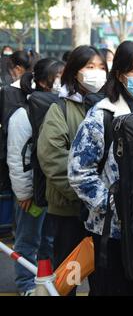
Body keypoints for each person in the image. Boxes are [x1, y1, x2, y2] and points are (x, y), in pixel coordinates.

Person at [68, 41, 133, 295]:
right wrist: (113, 204)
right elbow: (79, 172)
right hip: (112, 233)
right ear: (120, 75)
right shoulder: (103, 115)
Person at [37, 45, 107, 296]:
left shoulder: (110, 107)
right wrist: (88, 194)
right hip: (70, 211)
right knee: (70, 275)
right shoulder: (61, 109)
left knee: (103, 273)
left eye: (101, 67)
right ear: (74, 72)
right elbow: (52, 158)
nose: (96, 73)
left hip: (103, 213)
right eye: (89, 67)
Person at [7, 58, 64, 296]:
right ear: (42, 82)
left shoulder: (62, 108)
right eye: (58, 76)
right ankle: (26, 285)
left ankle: (45, 282)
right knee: (28, 239)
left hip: (53, 191)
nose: (63, 81)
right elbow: (18, 158)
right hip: (32, 193)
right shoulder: (23, 114)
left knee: (49, 240)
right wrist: (23, 193)